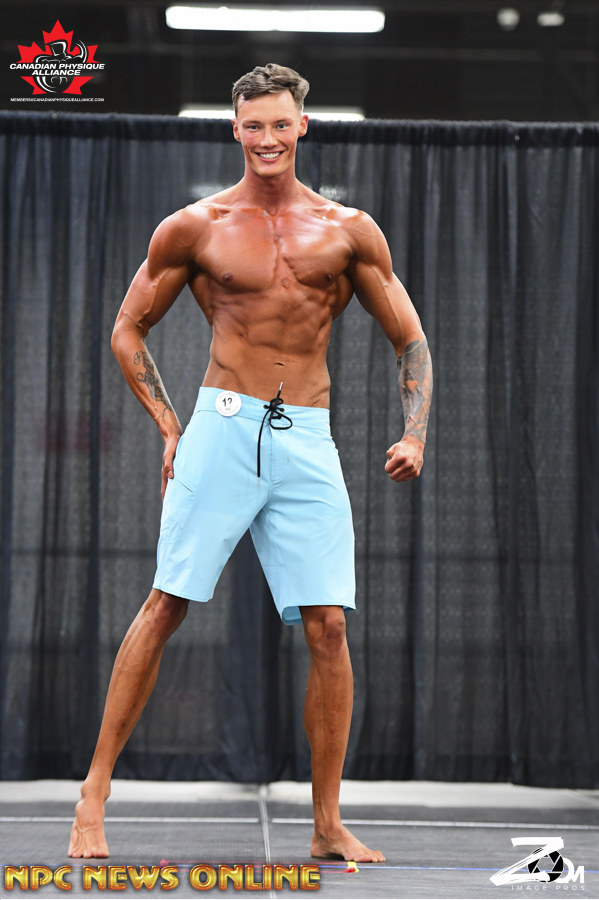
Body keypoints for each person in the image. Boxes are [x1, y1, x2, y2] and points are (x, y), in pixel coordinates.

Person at [68, 63, 432, 864]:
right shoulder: (195, 226)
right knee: (167, 602)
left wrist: (414, 433)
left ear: (302, 126)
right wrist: (170, 424)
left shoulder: (348, 230)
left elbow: (408, 338)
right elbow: (128, 327)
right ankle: (92, 794)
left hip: (306, 435)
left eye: (279, 123)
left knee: (329, 625)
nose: (267, 138)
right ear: (234, 129)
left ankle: (326, 823)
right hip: (223, 427)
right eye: (253, 125)